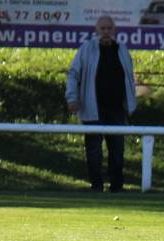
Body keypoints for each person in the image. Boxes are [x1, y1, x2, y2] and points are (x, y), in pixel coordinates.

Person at [66, 15, 136, 192]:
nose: (106, 32)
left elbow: (129, 78)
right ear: (96, 30)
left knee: (117, 151)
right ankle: (96, 186)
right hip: (92, 109)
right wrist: (72, 98)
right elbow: (73, 74)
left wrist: (131, 103)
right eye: (102, 29)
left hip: (117, 109)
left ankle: (117, 187)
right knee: (94, 152)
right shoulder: (86, 49)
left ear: (114, 30)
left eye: (109, 28)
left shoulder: (122, 50)